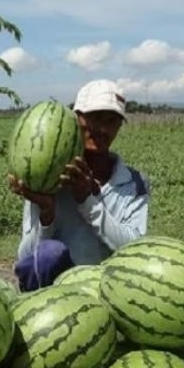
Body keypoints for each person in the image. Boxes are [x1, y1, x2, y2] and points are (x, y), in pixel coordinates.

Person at [9, 79, 150, 291]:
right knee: (49, 253)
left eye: (112, 121)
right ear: (76, 119)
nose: (103, 129)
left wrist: (88, 201)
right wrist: (46, 213)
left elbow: (135, 250)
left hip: (106, 290)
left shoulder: (134, 183)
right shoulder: (52, 178)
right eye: (95, 118)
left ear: (119, 127)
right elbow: (29, 260)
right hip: (56, 290)